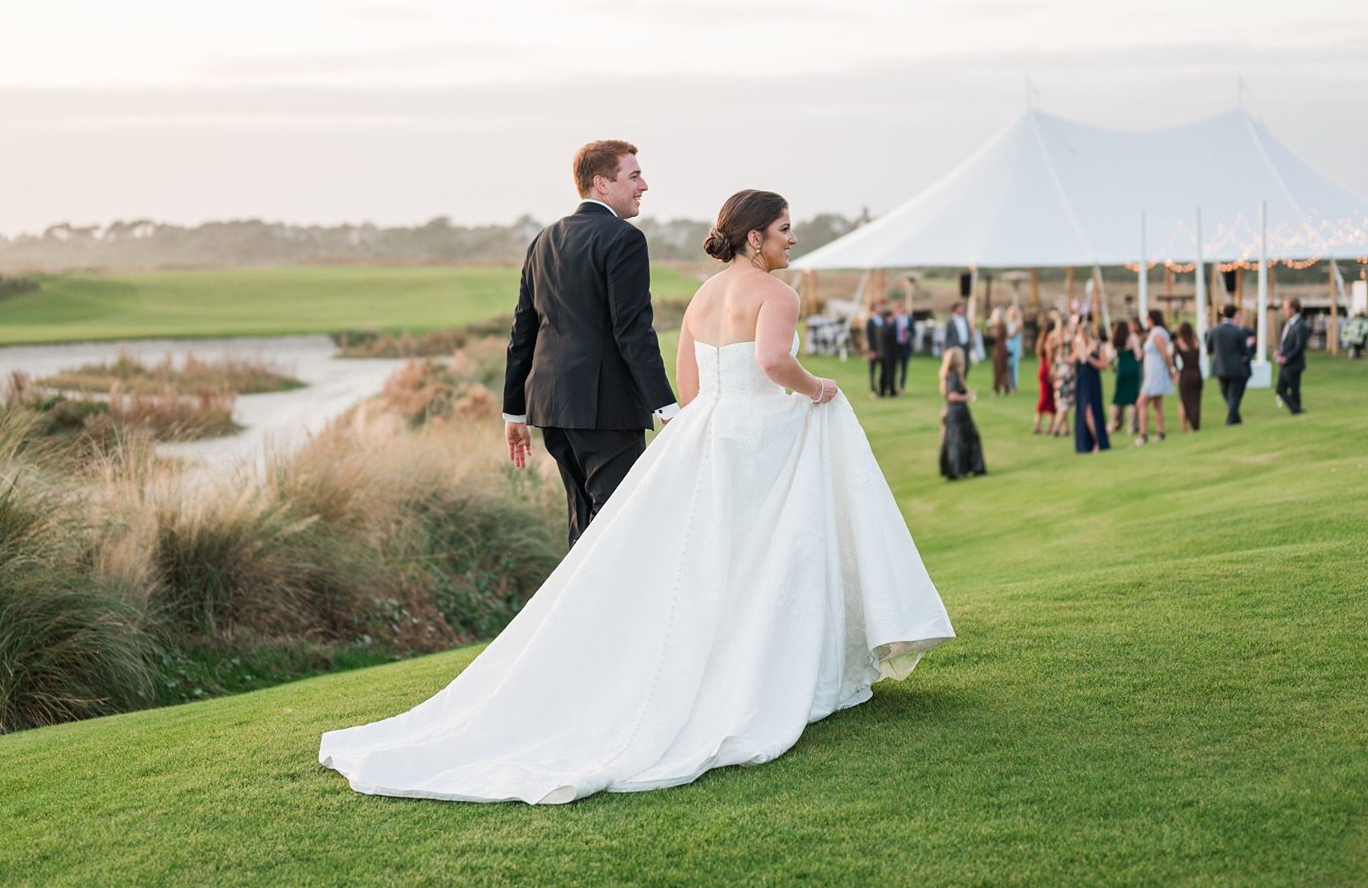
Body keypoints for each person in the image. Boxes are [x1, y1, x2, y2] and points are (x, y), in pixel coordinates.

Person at [320, 190, 954, 805]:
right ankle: (763, 671)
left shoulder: (704, 295)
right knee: (771, 551)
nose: (795, 239)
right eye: (786, 229)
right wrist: (816, 389)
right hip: (758, 433)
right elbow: (771, 362)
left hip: (707, 431)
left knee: (710, 557)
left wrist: (709, 418)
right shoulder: (778, 294)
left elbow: (688, 381)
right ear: (756, 238)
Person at [502, 140, 677, 548]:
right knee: (618, 527)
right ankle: (605, 610)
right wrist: (667, 408)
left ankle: (575, 610)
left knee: (585, 524)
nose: (644, 185)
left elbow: (522, 331)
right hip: (605, 408)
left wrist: (515, 411)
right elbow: (633, 331)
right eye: (633, 176)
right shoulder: (624, 239)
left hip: (551, 407)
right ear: (601, 183)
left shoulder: (544, 239)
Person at [938, 347, 986, 479]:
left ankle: (960, 469)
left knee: (957, 440)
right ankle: (963, 468)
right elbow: (952, 396)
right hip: (957, 412)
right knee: (960, 440)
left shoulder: (951, 375)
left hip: (955, 412)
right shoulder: (953, 376)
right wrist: (968, 396)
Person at [1207, 304, 1254, 426]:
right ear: (1234, 315)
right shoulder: (1238, 332)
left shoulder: (1215, 330)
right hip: (1236, 368)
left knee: (1226, 395)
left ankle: (1233, 420)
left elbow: (1209, 348)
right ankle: (1233, 420)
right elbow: (1245, 352)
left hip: (1220, 368)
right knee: (1233, 396)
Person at [1136, 309, 1176, 445]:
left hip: (1156, 373)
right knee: (1157, 403)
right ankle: (1160, 432)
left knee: (1141, 402)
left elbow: (1164, 354)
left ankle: (1143, 434)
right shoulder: (1153, 333)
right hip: (1152, 372)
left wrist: (1171, 369)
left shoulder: (1158, 333)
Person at [1072, 320, 1111, 454]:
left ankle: (1097, 441)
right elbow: (1072, 359)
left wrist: (1090, 359)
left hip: (1092, 381)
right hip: (1081, 381)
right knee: (1083, 410)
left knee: (1090, 409)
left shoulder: (1098, 346)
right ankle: (1086, 442)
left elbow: (1104, 364)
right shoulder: (1079, 346)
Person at [1275, 297, 1309, 415]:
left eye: (1286, 308)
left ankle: (1297, 410)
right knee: (1280, 389)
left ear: (1293, 309)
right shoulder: (1289, 323)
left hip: (1293, 364)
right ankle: (1296, 409)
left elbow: (1300, 346)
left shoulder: (1301, 325)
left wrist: (1286, 357)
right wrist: (1279, 352)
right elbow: (1285, 342)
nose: (1284, 311)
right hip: (1285, 363)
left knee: (1293, 389)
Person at [1109, 319, 1141, 434]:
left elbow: (1111, 356)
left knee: (1118, 398)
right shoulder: (1132, 337)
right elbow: (1138, 354)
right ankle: (1131, 427)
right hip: (1132, 368)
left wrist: (1112, 367)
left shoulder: (1115, 340)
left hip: (1121, 368)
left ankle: (1112, 424)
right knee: (1132, 399)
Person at [1174, 322, 1203, 432]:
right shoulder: (1196, 341)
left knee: (1183, 401)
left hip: (1185, 374)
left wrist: (1175, 371)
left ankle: (1184, 427)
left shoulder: (1179, 343)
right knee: (1196, 400)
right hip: (1197, 373)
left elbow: (1172, 358)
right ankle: (1195, 425)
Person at [1051, 316, 1076, 436]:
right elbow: (1074, 353)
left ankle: (1065, 428)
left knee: (1062, 399)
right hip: (1066, 370)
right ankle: (1056, 427)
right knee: (1065, 400)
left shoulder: (1055, 337)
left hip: (1059, 370)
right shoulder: (1069, 338)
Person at [1032, 320, 1057, 434]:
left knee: (1047, 398)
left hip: (1042, 370)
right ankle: (1042, 425)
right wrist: (1052, 370)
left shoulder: (1041, 341)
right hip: (1047, 370)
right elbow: (1049, 358)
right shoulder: (1049, 342)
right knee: (1047, 399)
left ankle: (1045, 425)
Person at [943, 301, 972, 376]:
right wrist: (946, 348)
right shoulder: (950, 321)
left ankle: (962, 384)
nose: (962, 309)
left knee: (966, 365)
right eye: (960, 308)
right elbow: (947, 335)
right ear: (955, 309)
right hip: (955, 346)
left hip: (965, 345)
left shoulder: (965, 319)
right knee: (956, 367)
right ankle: (954, 385)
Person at [864, 303, 887, 396]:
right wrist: (872, 350)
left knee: (883, 369)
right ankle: (873, 389)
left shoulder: (882, 320)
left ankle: (882, 389)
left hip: (882, 349)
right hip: (874, 349)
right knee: (873, 370)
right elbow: (869, 337)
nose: (880, 309)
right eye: (878, 307)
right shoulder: (870, 321)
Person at [894, 306, 916, 394]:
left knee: (904, 368)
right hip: (895, 346)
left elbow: (914, 331)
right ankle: (893, 387)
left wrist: (909, 333)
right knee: (893, 368)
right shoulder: (895, 319)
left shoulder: (909, 319)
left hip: (905, 346)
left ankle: (902, 387)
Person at [989, 308, 1010, 396]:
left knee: (999, 369)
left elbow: (997, 337)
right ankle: (1003, 387)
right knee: (1002, 369)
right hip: (1001, 349)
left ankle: (999, 388)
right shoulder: (1003, 325)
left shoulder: (1000, 326)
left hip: (1000, 350)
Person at [1006, 304, 1024, 393]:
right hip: (1008, 346)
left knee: (1013, 367)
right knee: (1008, 367)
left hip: (1015, 346)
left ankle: (1014, 386)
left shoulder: (1018, 323)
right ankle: (1008, 385)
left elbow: (1012, 335)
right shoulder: (1008, 323)